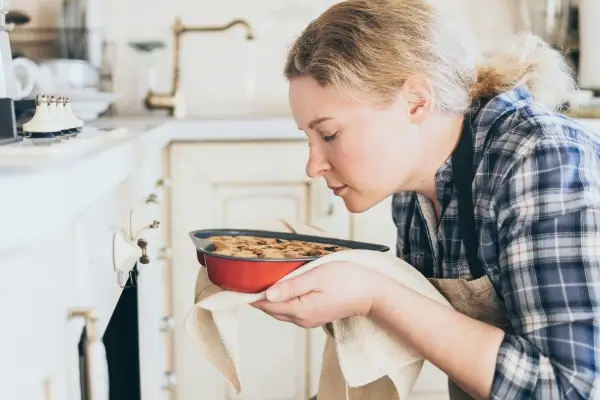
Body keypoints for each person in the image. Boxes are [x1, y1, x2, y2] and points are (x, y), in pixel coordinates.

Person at [251, 0, 600, 399]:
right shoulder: (413, 193)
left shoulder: (542, 159)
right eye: (309, 138)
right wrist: (341, 271)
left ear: (416, 100)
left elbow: (571, 388)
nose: (313, 166)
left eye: (329, 134)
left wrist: (375, 293)